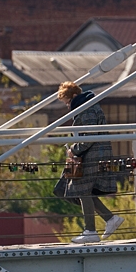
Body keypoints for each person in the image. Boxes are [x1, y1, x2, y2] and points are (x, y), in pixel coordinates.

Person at [54, 81, 125, 244]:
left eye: (67, 102)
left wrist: (74, 150)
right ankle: (110, 219)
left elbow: (89, 135)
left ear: (74, 96)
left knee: (82, 189)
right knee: (83, 190)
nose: (67, 106)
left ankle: (91, 231)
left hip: (93, 154)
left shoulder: (85, 108)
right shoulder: (89, 105)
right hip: (96, 153)